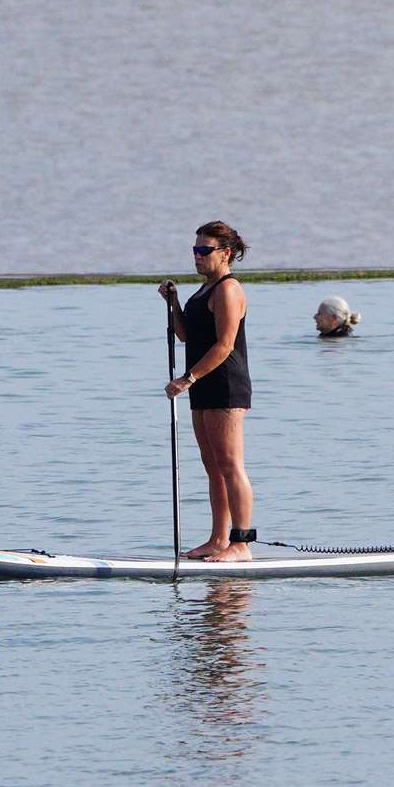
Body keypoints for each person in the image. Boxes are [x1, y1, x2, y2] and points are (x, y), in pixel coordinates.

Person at [158, 221, 254, 562]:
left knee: (230, 465)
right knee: (212, 466)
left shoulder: (228, 289)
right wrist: (174, 302)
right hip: (202, 383)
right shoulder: (204, 291)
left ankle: (241, 543)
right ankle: (218, 539)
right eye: (195, 251)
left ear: (225, 253)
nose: (197, 257)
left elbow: (225, 345)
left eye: (204, 251)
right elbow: (186, 336)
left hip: (225, 385)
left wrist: (188, 378)